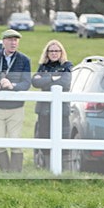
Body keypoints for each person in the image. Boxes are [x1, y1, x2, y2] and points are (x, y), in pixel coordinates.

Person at [0, 29, 31, 172]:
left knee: (15, 141)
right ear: (3, 42)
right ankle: (4, 171)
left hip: (16, 108)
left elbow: (26, 83)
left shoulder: (24, 60)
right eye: (10, 40)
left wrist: (13, 86)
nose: (13, 43)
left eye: (16, 40)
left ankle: (16, 172)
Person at [32, 40, 72, 168]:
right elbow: (35, 82)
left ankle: (63, 168)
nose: (54, 53)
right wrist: (53, 78)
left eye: (57, 51)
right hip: (44, 110)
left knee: (63, 137)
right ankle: (47, 167)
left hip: (61, 110)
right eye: (51, 51)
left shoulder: (67, 66)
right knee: (44, 136)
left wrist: (45, 80)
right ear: (47, 53)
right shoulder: (42, 66)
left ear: (61, 52)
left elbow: (65, 83)